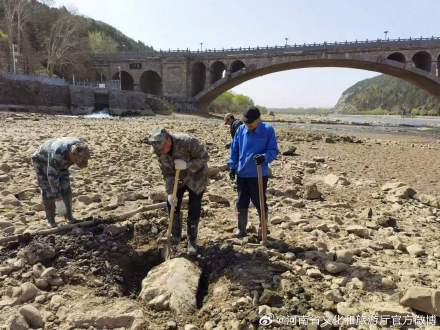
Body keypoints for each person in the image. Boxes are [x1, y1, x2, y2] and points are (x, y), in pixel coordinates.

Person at [148, 128, 209, 255]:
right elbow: (166, 173)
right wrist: (170, 193)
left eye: (163, 149)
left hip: (196, 177)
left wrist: (188, 164)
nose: (162, 153)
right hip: (177, 179)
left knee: (194, 207)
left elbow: (204, 157)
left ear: (168, 140)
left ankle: (191, 240)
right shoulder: (159, 152)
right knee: (172, 205)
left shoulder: (187, 141)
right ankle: (175, 235)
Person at [227, 107, 279, 238]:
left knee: (260, 202)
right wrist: (232, 166)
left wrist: (264, 157)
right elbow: (234, 149)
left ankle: (263, 229)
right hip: (242, 173)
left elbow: (273, 150)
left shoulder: (267, 130)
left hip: (258, 174)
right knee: (241, 202)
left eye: (250, 123)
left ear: (258, 120)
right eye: (246, 123)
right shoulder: (240, 129)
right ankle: (241, 229)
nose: (248, 126)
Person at [31, 137, 91, 227]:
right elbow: (51, 176)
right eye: (77, 160)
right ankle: (51, 220)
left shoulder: (82, 146)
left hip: (63, 162)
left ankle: (69, 217)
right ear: (72, 155)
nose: (77, 163)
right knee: (48, 190)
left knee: (66, 188)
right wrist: (58, 197)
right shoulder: (57, 154)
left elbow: (82, 161)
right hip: (41, 160)